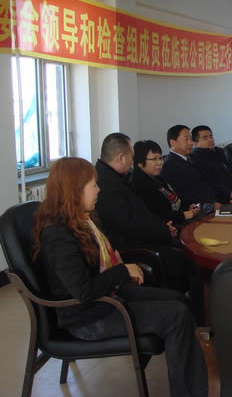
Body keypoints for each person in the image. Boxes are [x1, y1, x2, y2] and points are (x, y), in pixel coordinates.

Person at [32, 157, 208, 397]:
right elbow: (83, 292)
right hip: (88, 318)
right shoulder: (58, 235)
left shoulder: (81, 221)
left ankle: (191, 384)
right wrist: (123, 271)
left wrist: (120, 267)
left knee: (179, 300)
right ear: (74, 190)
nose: (98, 190)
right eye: (93, 185)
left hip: (107, 299)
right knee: (176, 315)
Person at [94, 133, 204, 324]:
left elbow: (141, 214)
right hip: (134, 248)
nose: (132, 161)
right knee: (190, 261)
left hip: (146, 237)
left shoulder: (117, 177)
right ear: (121, 157)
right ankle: (197, 318)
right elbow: (130, 224)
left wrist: (162, 227)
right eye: (131, 156)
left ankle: (189, 311)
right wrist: (162, 230)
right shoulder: (108, 185)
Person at [161, 125, 232, 207]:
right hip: (202, 209)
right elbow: (186, 195)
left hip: (216, 202)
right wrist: (210, 206)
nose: (190, 143)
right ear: (173, 142)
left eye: (190, 138)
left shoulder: (189, 158)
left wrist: (227, 194)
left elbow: (208, 182)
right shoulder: (170, 165)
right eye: (186, 139)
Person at [132, 140, 201, 228]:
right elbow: (159, 216)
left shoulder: (157, 177)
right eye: (154, 159)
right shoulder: (140, 185)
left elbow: (174, 198)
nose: (160, 162)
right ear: (140, 163)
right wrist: (185, 214)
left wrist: (188, 206)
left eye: (160, 158)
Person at [189, 125, 232, 193]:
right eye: (205, 138)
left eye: (211, 136)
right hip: (224, 196)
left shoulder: (219, 151)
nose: (210, 140)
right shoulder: (196, 159)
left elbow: (229, 172)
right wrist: (229, 193)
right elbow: (209, 183)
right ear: (195, 144)